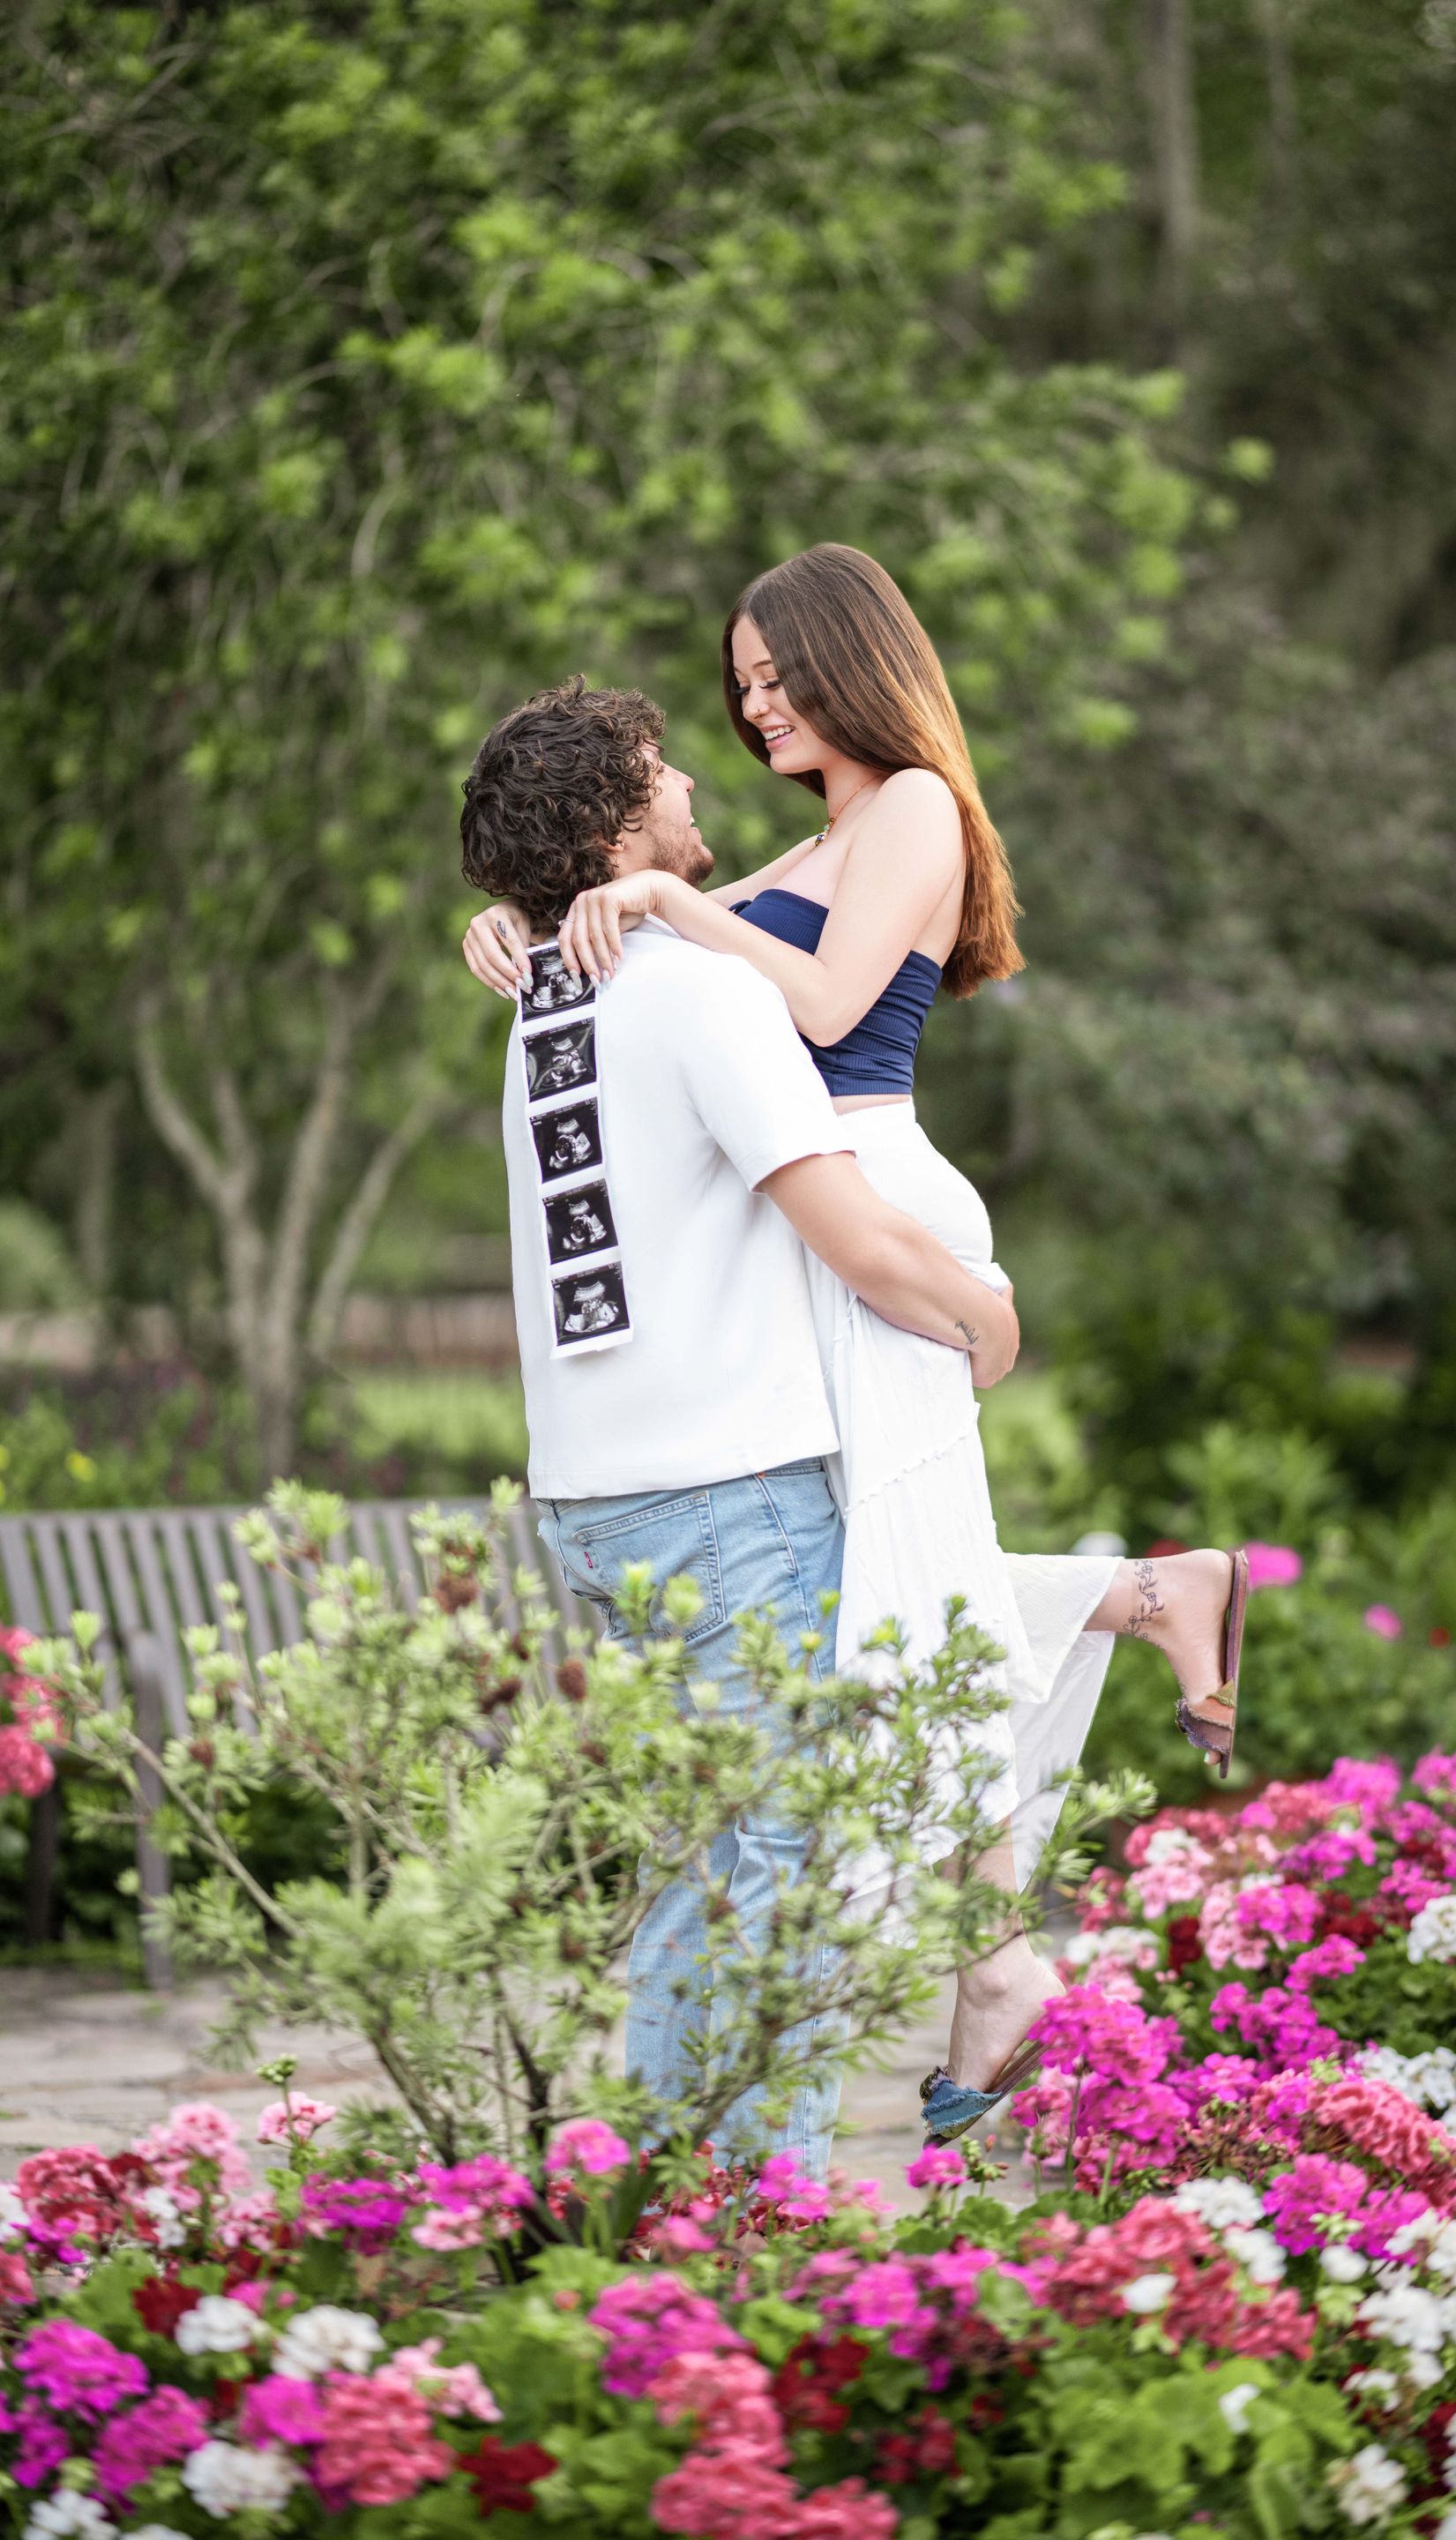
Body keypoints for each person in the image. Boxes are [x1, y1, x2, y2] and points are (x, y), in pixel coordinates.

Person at [464, 548, 1248, 2147]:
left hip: (863, 1186)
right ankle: (1112, 1678)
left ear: (854, 662)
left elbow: (815, 1007)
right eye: (740, 683)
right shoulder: (814, 835)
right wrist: (523, 916)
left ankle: (1000, 1948)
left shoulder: (910, 812)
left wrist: (671, 897)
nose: (753, 706)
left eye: (777, 675)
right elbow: (642, 928)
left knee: (906, 1567)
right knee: (899, 1568)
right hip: (808, 1210)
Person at [459, 675, 1020, 2178]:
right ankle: (744, 2238)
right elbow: (851, 1232)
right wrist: (983, 1310)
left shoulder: (545, 1005)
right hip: (729, 1509)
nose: (695, 786)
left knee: (701, 1886)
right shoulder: (706, 993)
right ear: (611, 820)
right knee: (774, 1887)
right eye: (664, 770)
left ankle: (655, 2219)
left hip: (592, 1510)